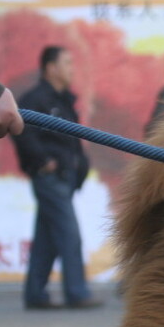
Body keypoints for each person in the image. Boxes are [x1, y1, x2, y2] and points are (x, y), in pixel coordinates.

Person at [13, 46, 101, 310]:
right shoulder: (34, 98)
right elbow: (23, 133)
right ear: (51, 67)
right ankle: (77, 292)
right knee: (69, 234)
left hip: (67, 177)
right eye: (67, 62)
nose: (72, 68)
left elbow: (72, 139)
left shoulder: (65, 99)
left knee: (46, 240)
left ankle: (35, 294)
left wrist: (80, 165)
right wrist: (44, 163)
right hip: (50, 177)